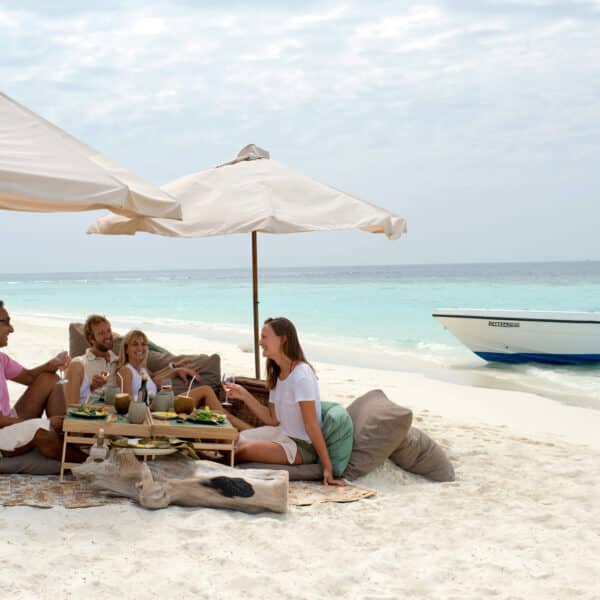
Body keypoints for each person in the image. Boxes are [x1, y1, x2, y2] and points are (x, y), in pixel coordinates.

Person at [224, 317, 345, 486]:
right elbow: (272, 419)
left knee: (243, 451)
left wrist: (327, 467)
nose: (260, 342)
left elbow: (311, 426)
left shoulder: (301, 375)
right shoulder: (278, 374)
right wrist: (244, 395)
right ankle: (213, 460)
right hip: (281, 435)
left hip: (300, 447)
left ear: (283, 339)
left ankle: (212, 464)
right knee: (231, 441)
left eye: (264, 337)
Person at [0, 300, 83, 468]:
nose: (11, 329)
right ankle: (90, 462)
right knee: (41, 431)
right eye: (6, 322)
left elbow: (30, 377)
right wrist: (47, 422)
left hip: (7, 422)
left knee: (49, 378)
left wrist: (50, 365)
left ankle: (66, 437)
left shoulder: (1, 359)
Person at [116, 329, 220, 408]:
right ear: (126, 349)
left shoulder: (142, 369)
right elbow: (126, 403)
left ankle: (232, 428)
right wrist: (154, 404)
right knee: (205, 391)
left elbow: (156, 377)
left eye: (143, 344)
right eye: (135, 344)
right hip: (154, 408)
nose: (140, 348)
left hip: (162, 403)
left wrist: (175, 367)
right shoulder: (125, 371)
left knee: (206, 391)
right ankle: (233, 428)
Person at [64, 314, 118, 406]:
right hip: (91, 414)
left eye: (108, 331)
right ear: (91, 339)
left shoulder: (119, 361)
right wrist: (91, 387)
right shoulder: (80, 363)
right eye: (101, 333)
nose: (108, 336)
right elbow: (71, 404)